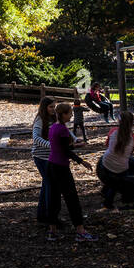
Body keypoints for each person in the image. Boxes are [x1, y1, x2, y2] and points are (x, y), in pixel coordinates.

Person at [46, 102, 96, 241]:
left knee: (54, 198)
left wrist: (76, 145)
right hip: (61, 167)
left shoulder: (53, 127)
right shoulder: (62, 129)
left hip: (51, 165)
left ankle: (52, 231)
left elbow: (60, 147)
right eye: (70, 113)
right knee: (72, 198)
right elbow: (65, 151)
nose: (72, 115)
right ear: (63, 114)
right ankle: (80, 231)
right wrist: (82, 161)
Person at [96, 111, 134, 209]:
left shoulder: (113, 131)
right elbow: (130, 153)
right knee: (120, 176)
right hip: (121, 168)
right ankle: (114, 200)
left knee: (114, 179)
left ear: (119, 121)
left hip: (105, 164)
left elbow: (107, 145)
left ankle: (106, 195)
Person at [31, 98, 56, 225]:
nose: (53, 109)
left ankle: (42, 215)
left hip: (50, 156)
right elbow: (35, 138)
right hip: (41, 157)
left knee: (46, 184)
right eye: (51, 107)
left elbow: (64, 130)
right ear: (44, 107)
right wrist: (51, 145)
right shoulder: (40, 119)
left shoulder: (54, 118)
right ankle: (48, 216)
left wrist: (75, 139)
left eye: (54, 106)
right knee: (50, 184)